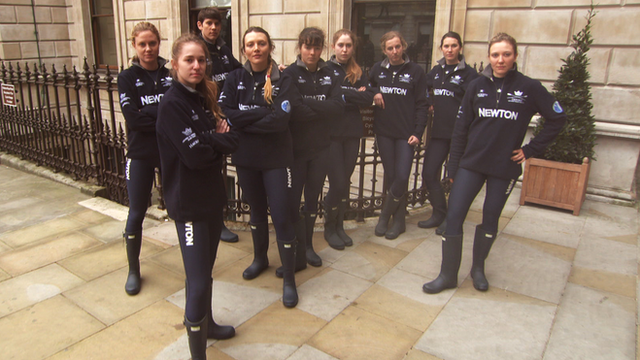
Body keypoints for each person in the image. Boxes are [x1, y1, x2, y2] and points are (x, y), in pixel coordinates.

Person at [422, 33, 566, 294]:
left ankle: (478, 269)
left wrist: (530, 150)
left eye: (506, 54)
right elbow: (460, 130)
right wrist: (453, 168)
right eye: (496, 54)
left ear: (515, 56)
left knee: (490, 218)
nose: (501, 60)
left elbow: (557, 118)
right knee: (454, 216)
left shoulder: (529, 87)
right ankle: (447, 275)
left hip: (504, 167)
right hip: (471, 164)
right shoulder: (476, 86)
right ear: (489, 57)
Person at [156, 33, 238, 359]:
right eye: (189, 60)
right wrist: (214, 140)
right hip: (188, 204)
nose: (196, 65)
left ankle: (208, 323)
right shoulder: (172, 104)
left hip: (211, 200)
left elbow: (228, 141)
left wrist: (212, 141)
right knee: (198, 279)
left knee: (206, 270)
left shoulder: (201, 97)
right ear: (175, 64)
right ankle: (197, 354)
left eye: (201, 60)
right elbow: (196, 157)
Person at [219, 27, 299, 308]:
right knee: (255, 210)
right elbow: (225, 112)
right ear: (244, 50)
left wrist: (243, 119)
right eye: (250, 44)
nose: (256, 48)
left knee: (281, 215)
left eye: (261, 43)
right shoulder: (234, 78)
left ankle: (289, 278)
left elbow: (280, 121)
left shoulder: (284, 78)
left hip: (277, 159)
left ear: (270, 47)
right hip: (246, 158)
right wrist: (261, 114)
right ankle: (260, 259)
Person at [117, 22, 172, 296]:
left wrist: (150, 110)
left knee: (180, 206)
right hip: (140, 153)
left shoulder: (171, 74)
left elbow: (181, 110)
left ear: (159, 43)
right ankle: (133, 269)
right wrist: (162, 113)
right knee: (137, 211)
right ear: (134, 46)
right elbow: (133, 119)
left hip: (168, 151)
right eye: (142, 44)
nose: (148, 49)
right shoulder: (127, 77)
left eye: (152, 43)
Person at [283, 27, 345, 269]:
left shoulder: (331, 73)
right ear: (300, 47)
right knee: (292, 201)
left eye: (316, 47)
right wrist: (322, 106)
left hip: (321, 148)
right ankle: (295, 244)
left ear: (322, 49)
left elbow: (338, 108)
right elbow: (294, 111)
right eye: (308, 47)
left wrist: (307, 103)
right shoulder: (289, 74)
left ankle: (308, 245)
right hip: (296, 151)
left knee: (312, 199)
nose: (312, 52)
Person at [369, 31, 428, 240]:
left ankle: (385, 216)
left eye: (397, 47)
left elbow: (422, 104)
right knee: (392, 176)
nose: (394, 51)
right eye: (389, 48)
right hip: (384, 132)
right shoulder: (378, 69)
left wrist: (418, 132)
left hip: (406, 134)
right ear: (384, 50)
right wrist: (374, 91)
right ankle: (400, 220)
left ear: (403, 46)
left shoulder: (416, 71)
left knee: (402, 176)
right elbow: (366, 86)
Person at [418, 32, 477, 235]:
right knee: (428, 173)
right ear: (441, 48)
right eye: (446, 46)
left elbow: (474, 103)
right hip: (439, 133)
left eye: (453, 46)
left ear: (460, 47)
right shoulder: (435, 71)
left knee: (456, 179)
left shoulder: (470, 75)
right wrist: (429, 102)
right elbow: (421, 89)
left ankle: (452, 220)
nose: (449, 49)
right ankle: (439, 213)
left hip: (461, 136)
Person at [324, 29, 374, 250]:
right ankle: (329, 227)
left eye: (349, 45)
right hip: (331, 134)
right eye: (341, 45)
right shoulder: (325, 69)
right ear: (333, 46)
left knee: (345, 182)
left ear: (353, 48)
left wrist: (344, 95)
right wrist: (351, 94)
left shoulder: (358, 71)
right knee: (337, 182)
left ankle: (340, 225)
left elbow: (368, 97)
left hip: (352, 133)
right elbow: (328, 98)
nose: (344, 49)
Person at [197, 6, 243, 243]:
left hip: (225, 118)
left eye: (217, 23)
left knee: (219, 173)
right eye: (209, 23)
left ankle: (218, 221)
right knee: (210, 172)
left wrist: (272, 68)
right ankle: (214, 223)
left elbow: (239, 71)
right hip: (205, 120)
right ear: (200, 25)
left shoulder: (223, 50)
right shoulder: (197, 51)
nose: (213, 28)